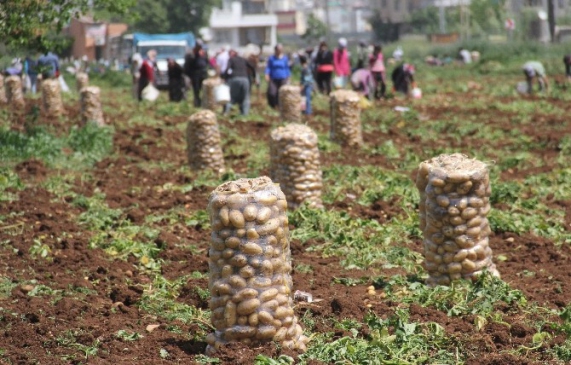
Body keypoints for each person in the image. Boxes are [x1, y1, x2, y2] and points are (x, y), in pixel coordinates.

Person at [224, 49, 256, 116]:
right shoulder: (244, 60)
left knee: (232, 97)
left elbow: (227, 69)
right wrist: (254, 77)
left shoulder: (232, 59)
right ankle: (245, 114)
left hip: (235, 78)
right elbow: (252, 66)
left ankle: (226, 112)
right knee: (245, 97)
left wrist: (225, 77)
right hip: (245, 79)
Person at [265, 44, 290, 109]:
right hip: (273, 78)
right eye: (278, 50)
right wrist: (267, 74)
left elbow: (287, 68)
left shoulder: (285, 58)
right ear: (275, 50)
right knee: (272, 93)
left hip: (283, 77)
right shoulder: (271, 58)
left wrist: (288, 76)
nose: (279, 51)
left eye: (281, 50)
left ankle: (281, 106)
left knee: (282, 93)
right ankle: (273, 105)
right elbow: (268, 67)